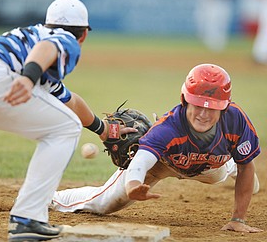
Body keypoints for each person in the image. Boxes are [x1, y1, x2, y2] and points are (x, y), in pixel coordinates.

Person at [0, 0, 134, 241]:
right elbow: (49, 47)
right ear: (84, 35)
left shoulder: (29, 39)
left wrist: (103, 129)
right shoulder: (64, 39)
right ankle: (27, 219)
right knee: (66, 129)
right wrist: (28, 76)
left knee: (64, 121)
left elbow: (70, 101)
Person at [51, 63, 263, 233]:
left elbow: (248, 166)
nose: (203, 114)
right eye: (198, 104)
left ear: (225, 107)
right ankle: (50, 198)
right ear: (185, 100)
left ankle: (232, 163)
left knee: (232, 170)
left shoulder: (236, 120)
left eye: (212, 108)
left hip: (212, 167)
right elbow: (142, 160)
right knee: (105, 203)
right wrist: (133, 184)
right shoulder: (168, 128)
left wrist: (238, 219)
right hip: (163, 163)